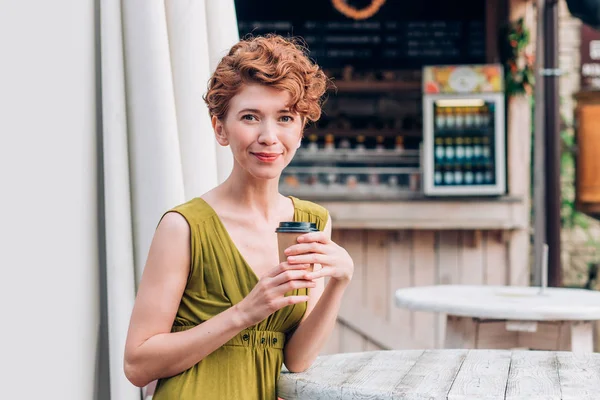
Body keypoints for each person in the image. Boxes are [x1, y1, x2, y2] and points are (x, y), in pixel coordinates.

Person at [123, 34, 354, 399]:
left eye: (285, 118)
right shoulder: (183, 226)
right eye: (250, 117)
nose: (269, 136)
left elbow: (297, 359)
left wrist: (340, 281)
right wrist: (245, 312)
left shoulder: (313, 221)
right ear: (220, 128)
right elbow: (137, 365)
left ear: (300, 128)